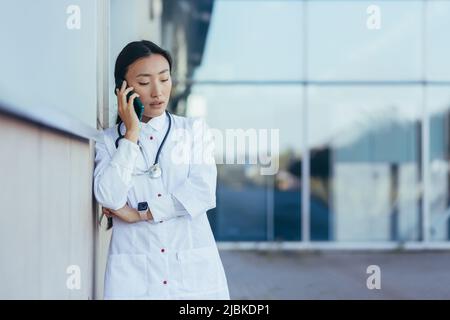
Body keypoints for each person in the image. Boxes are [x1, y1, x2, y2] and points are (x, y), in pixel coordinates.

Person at [93, 40, 230, 300]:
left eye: (164, 79)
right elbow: (109, 197)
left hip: (192, 274)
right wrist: (131, 135)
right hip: (134, 277)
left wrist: (140, 213)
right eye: (144, 83)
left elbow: (202, 193)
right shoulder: (109, 142)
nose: (158, 92)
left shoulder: (193, 131)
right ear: (123, 90)